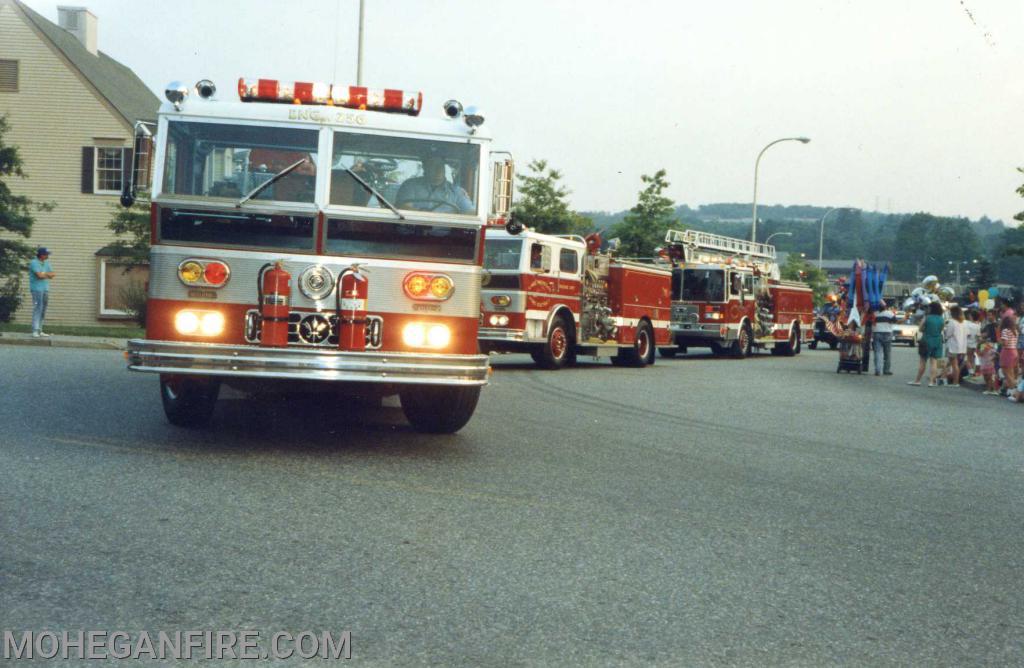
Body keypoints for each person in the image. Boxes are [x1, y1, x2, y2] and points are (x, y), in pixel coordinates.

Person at [396, 155, 474, 213]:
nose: (438, 169)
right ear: (425, 168)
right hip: (411, 231)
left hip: (446, 234)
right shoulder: (410, 185)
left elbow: (470, 213)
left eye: (441, 165)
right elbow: (403, 208)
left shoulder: (457, 192)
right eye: (433, 165)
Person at [28, 247, 55, 337]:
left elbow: (53, 274)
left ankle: (40, 330)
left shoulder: (46, 263)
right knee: (38, 307)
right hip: (36, 289)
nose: (47, 256)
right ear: (41, 255)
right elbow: (39, 275)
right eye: (46, 254)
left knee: (43, 309)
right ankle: (35, 330)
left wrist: (45, 274)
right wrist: (46, 274)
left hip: (45, 288)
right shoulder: (34, 263)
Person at [921, 301, 945, 387]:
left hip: (926, 340)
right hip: (937, 340)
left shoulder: (927, 317)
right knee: (934, 362)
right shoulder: (941, 319)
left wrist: (925, 329)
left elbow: (920, 328)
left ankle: (917, 380)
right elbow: (941, 329)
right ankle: (931, 381)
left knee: (923, 361)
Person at [942, 305, 966, 387]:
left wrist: (945, 331)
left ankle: (955, 382)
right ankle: (944, 378)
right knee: (950, 363)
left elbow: (948, 334)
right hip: (960, 346)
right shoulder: (963, 322)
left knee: (953, 364)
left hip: (952, 346)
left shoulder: (952, 322)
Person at [872, 300, 895, 376]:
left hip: (877, 333)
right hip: (887, 334)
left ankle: (878, 370)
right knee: (887, 353)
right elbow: (895, 321)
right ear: (885, 306)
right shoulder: (890, 314)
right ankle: (886, 370)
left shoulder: (875, 314)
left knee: (877, 353)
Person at [999, 314, 1019, 394]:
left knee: (1005, 371)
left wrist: (1000, 341)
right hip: (1014, 351)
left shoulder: (1005, 331)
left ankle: (1013, 388)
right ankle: (1012, 389)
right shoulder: (1015, 331)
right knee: (1011, 371)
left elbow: (1005, 343)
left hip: (1007, 351)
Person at [964, 310, 981, 377]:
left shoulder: (968, 325)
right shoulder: (978, 325)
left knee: (966, 359)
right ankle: (973, 371)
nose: (969, 316)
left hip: (968, 343)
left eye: (970, 315)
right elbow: (978, 335)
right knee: (971, 358)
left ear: (972, 316)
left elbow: (967, 334)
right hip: (974, 344)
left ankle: (971, 372)